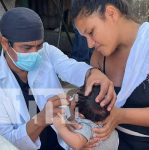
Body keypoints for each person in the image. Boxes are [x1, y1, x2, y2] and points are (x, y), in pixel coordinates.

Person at [0, 7, 116, 150]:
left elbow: (71, 67)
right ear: (5, 43)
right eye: (27, 48)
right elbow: (6, 142)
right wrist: (41, 119)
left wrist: (92, 73)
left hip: (61, 141)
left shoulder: (47, 52)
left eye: (39, 46)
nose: (35, 53)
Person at [71, 0, 149, 149]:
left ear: (111, 13)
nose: (89, 44)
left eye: (91, 32)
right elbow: (92, 101)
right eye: (84, 37)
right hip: (111, 142)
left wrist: (121, 116)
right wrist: (79, 106)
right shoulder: (99, 57)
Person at [53, 85, 119, 150]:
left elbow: (76, 144)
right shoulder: (100, 113)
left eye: (74, 97)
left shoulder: (86, 125)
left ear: (80, 115)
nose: (72, 98)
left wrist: (60, 126)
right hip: (114, 142)